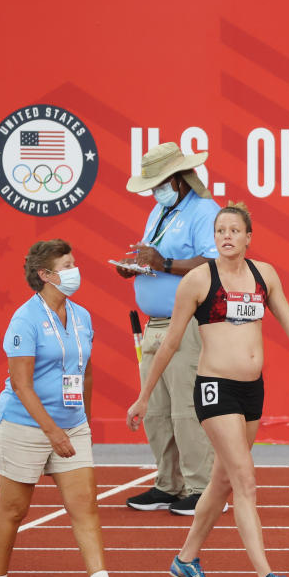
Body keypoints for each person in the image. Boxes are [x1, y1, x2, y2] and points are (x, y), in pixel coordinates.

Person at [126, 202, 289, 577]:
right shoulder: (197, 280)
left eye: (234, 230)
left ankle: (186, 558)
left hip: (252, 390)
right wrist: (144, 396)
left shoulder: (265, 275)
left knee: (223, 480)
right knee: (245, 480)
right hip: (214, 388)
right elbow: (172, 342)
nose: (226, 236)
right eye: (220, 231)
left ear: (248, 237)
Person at [0, 239, 138, 577]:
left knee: (85, 506)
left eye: (73, 262)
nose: (74, 271)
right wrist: (52, 432)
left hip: (71, 426)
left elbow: (84, 372)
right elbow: (21, 383)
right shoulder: (25, 319)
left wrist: (81, 419)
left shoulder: (81, 316)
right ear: (45, 275)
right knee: (14, 509)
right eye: (66, 265)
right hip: (25, 426)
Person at [117, 142, 223, 516]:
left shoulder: (204, 210)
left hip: (188, 323)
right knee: (158, 409)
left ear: (178, 178)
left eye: (159, 182)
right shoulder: (160, 210)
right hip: (156, 324)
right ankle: (169, 483)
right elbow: (157, 259)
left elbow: (215, 263)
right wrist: (138, 267)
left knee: (185, 408)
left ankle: (202, 487)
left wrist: (164, 263)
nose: (154, 190)